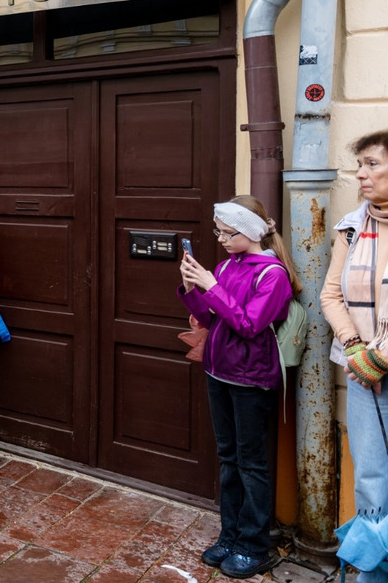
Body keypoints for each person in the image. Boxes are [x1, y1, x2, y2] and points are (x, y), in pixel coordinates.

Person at [178, 195, 298, 580]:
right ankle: (229, 536)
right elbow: (209, 318)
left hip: (250, 379)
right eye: (219, 231)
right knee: (228, 458)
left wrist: (212, 286)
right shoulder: (227, 266)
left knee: (251, 463)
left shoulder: (273, 274)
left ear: (251, 232)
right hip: (219, 372)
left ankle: (254, 545)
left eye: (229, 233)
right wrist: (192, 288)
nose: (221, 239)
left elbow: (248, 325)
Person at [322, 130, 388, 583]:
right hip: (364, 374)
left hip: (375, 365)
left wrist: (381, 356)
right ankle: (373, 572)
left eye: (371, 164)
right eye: (359, 164)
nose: (360, 173)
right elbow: (330, 295)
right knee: (371, 478)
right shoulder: (352, 226)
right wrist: (354, 347)